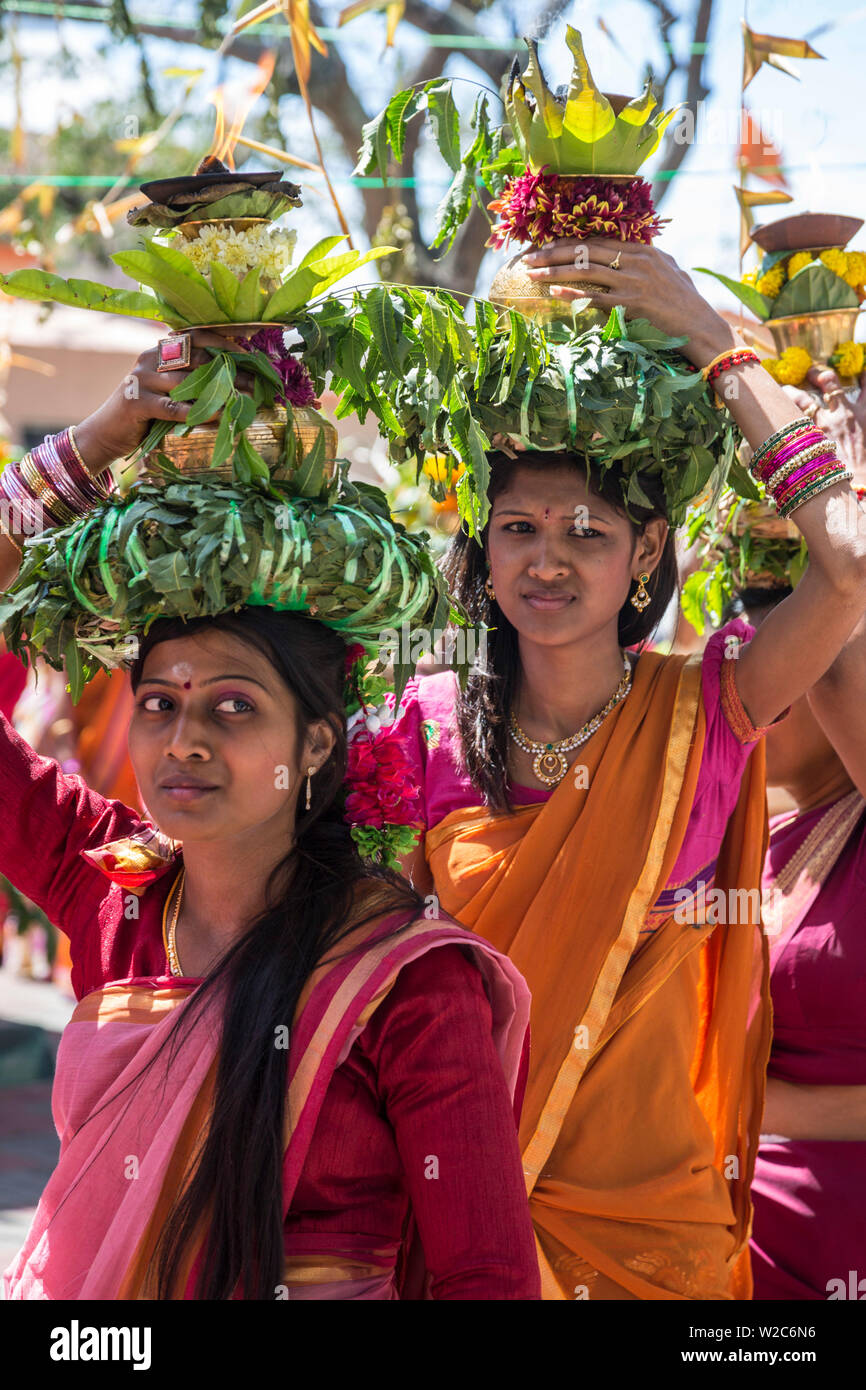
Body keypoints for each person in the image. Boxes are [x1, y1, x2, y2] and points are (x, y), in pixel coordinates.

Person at [0, 332, 540, 1301]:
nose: (184, 740)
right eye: (159, 702)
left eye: (234, 707)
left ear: (320, 744)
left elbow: (486, 1281)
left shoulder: (407, 986)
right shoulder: (111, 896)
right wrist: (96, 444)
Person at [382, 237, 866, 1299]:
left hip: (660, 1236)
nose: (545, 558)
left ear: (646, 552)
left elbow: (847, 564)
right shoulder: (420, 732)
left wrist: (715, 348)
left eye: (585, 532)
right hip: (468, 1226)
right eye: (516, 528)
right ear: (482, 544)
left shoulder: (710, 705)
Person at [724, 363, 866, 1299]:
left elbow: (843, 598)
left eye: (801, 661)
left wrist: (736, 369)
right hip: (717, 1253)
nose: (766, 681)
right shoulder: (717, 819)